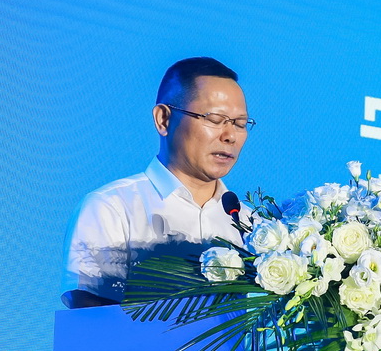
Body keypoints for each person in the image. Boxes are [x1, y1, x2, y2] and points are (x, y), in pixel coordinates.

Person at [62, 57, 254, 308]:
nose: (230, 136)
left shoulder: (252, 226)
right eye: (215, 119)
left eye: (240, 124)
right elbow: (91, 320)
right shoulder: (112, 209)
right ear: (163, 119)